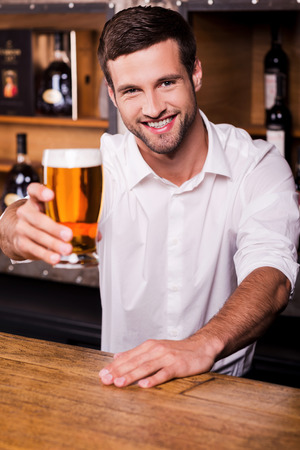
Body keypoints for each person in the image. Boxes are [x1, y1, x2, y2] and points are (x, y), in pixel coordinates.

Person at [0, 6, 299, 389]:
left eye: (166, 83)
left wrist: (201, 345)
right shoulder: (100, 170)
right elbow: (15, 226)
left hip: (224, 391)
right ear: (112, 94)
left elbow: (272, 276)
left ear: (196, 74)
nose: (153, 108)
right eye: (131, 91)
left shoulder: (257, 166)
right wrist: (14, 226)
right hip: (122, 388)